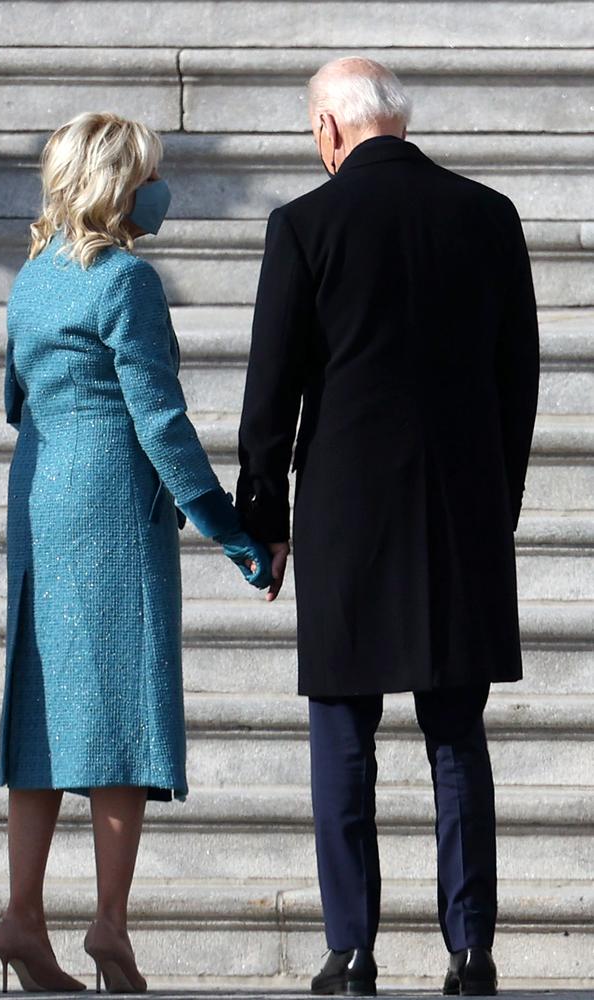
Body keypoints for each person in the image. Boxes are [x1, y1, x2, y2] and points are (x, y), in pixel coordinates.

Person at [236, 58, 539, 996]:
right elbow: (517, 382)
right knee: (457, 735)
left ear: (330, 129)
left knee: (343, 733)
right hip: (461, 511)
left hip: (345, 514)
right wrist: (499, 502)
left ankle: (352, 949)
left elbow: (270, 392)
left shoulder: (304, 224)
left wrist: (265, 518)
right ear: (393, 122)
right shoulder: (489, 215)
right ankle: (471, 948)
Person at [0, 111, 272, 994]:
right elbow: (159, 419)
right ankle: (109, 925)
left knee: (39, 705)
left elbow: (14, 399)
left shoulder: (30, 279)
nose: (162, 189)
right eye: (152, 174)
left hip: (39, 494)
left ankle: (20, 914)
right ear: (119, 186)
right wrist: (229, 528)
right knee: (119, 709)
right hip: (111, 501)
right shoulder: (126, 280)